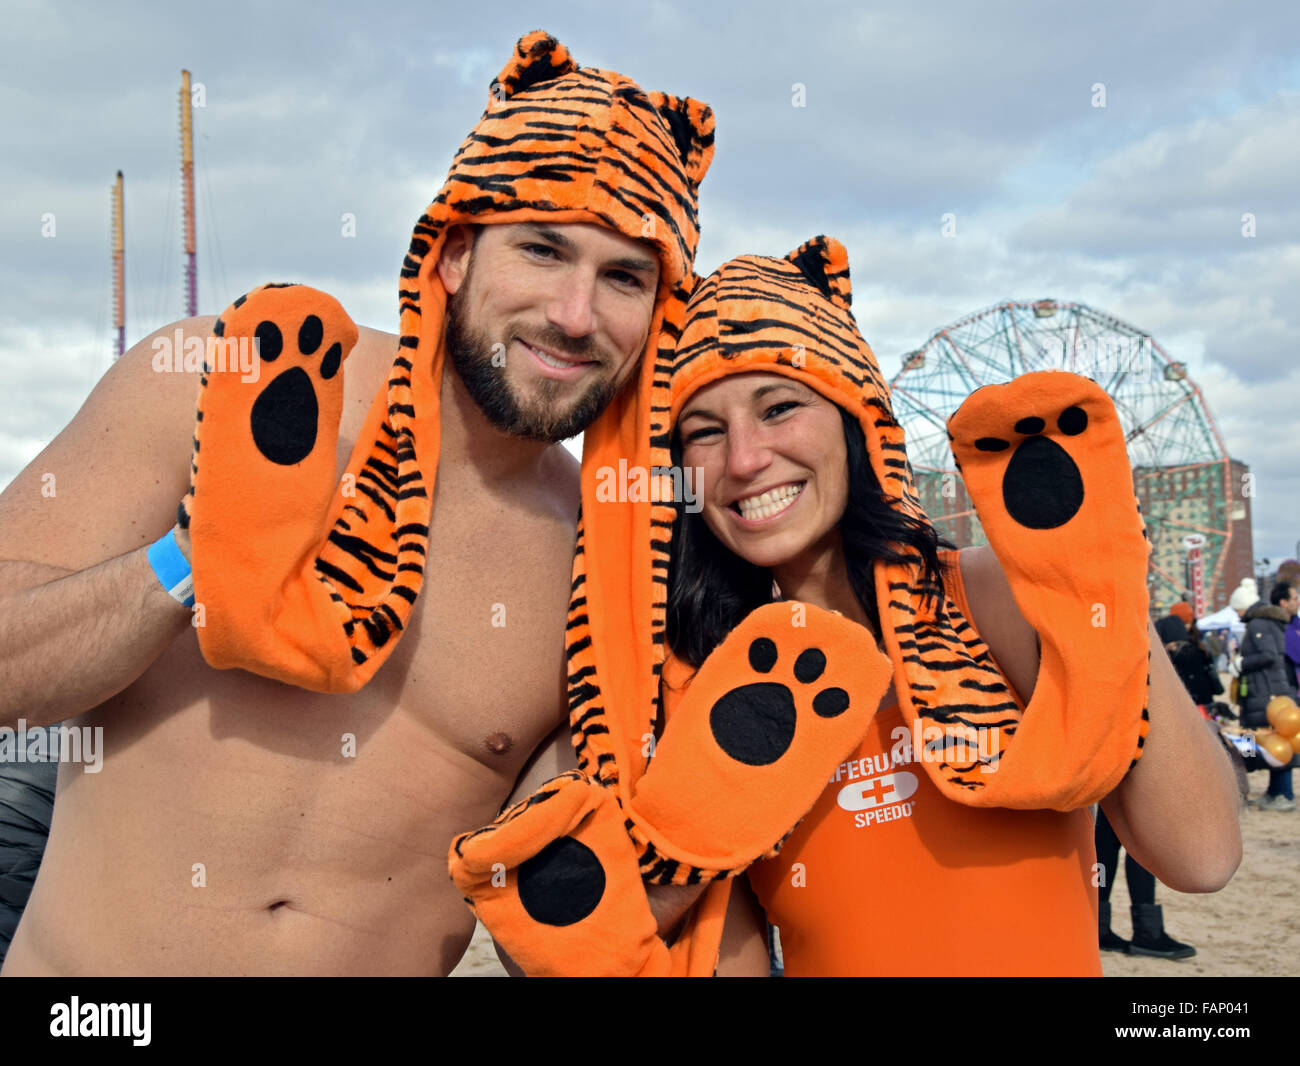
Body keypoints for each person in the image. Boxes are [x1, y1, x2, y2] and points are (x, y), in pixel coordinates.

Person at [0, 31, 714, 976]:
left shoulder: (606, 562)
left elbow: (542, 892)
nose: (576, 315)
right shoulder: (237, 383)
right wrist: (193, 562)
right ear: (456, 252)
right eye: (542, 250)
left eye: (625, 277)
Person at [448, 237, 1241, 977]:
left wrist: (1094, 578)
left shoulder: (987, 595)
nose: (747, 460)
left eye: (780, 407)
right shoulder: (709, 699)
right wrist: (656, 855)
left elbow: (1201, 855)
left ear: (856, 419)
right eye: (703, 431)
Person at [1234, 580, 1297, 811]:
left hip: (1266, 692)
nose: (1236, 613)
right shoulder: (1268, 622)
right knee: (1270, 740)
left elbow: (1268, 655)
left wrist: (1242, 663)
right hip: (1268, 690)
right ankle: (1275, 791)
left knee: (1272, 741)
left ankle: (1285, 794)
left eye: (1237, 609)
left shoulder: (1259, 624)